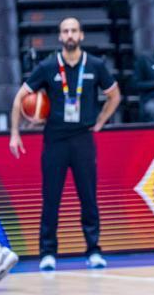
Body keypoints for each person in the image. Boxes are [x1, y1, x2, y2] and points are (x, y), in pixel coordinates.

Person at [9, 18, 121, 272]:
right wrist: (15, 133)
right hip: (55, 140)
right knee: (51, 198)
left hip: (83, 138)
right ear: (60, 37)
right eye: (65, 31)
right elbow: (19, 98)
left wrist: (101, 120)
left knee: (88, 197)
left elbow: (114, 95)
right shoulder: (48, 66)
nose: (69, 35)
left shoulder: (95, 65)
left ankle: (93, 250)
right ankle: (48, 253)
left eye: (73, 31)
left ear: (81, 35)